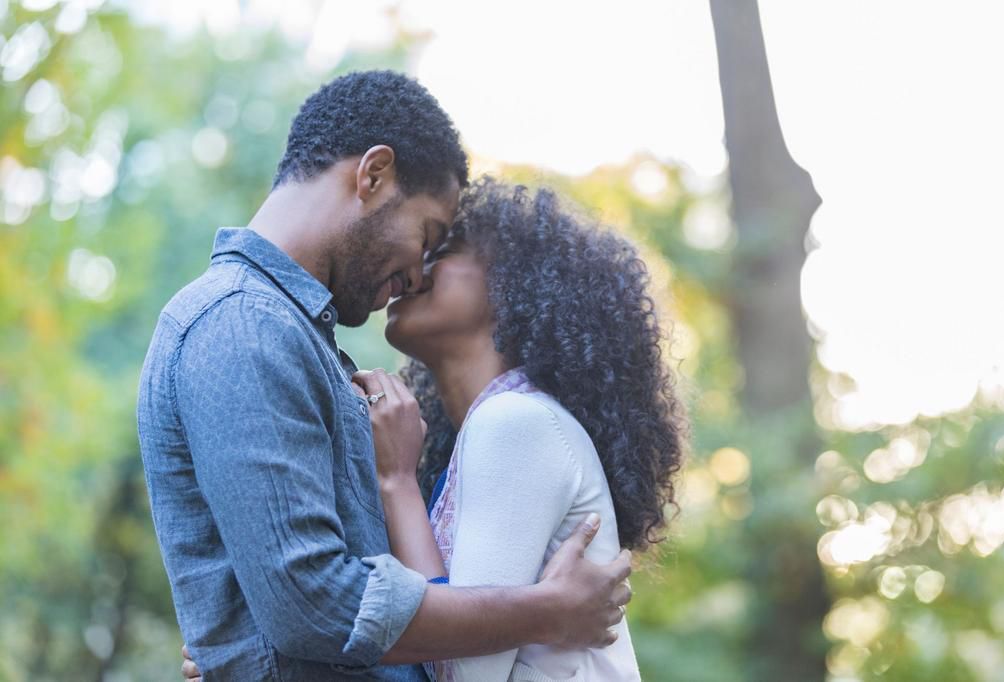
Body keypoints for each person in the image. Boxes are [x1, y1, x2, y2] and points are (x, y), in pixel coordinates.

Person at [138, 70, 631, 682]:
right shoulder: (243, 324)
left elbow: (301, 611)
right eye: (427, 236)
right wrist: (546, 611)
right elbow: (312, 603)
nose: (420, 273)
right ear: (372, 175)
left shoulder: (293, 338)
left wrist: (246, 642)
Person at [351, 179, 688, 681]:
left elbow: (456, 670)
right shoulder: (492, 431)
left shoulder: (517, 421)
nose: (413, 264)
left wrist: (397, 480)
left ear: (513, 280)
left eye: (442, 247)